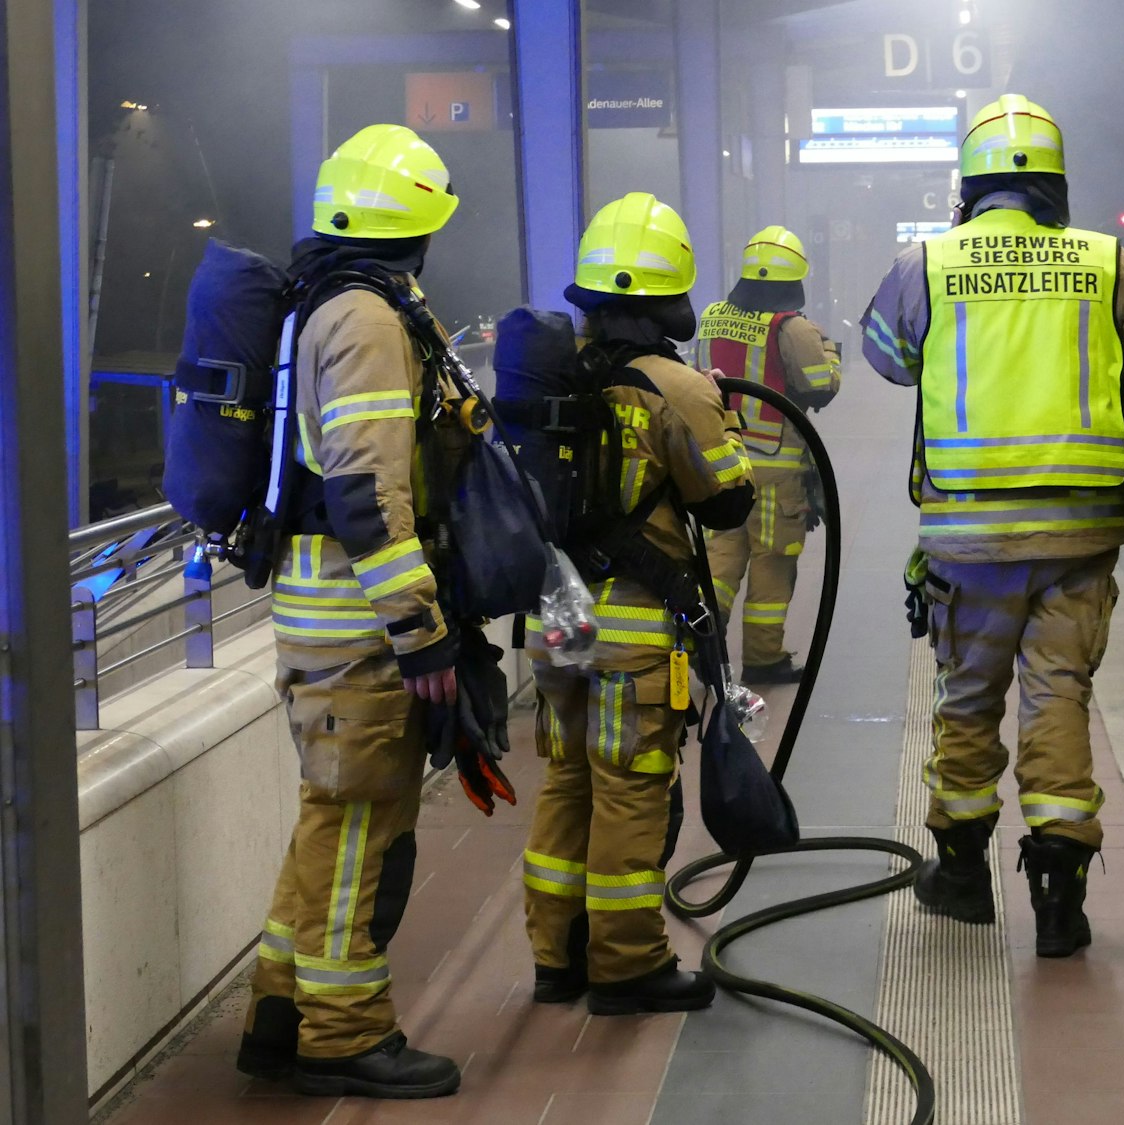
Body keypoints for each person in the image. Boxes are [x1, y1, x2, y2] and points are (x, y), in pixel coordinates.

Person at [860, 94, 1124, 957]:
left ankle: (963, 878)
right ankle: (1059, 899)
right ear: (1057, 184)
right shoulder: (1105, 260)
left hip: (968, 539)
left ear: (968, 186)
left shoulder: (927, 261)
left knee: (968, 698)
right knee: (1058, 696)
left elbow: (886, 359)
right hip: (1079, 535)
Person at [234, 123, 465, 1097]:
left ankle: (279, 1011)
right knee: (363, 829)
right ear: (416, 228)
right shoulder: (368, 321)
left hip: (323, 606)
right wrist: (421, 631)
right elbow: (370, 493)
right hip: (358, 622)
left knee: (329, 818)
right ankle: (342, 1033)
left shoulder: (322, 305)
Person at [520, 192, 756, 1015]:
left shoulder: (556, 376)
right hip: (629, 626)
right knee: (629, 787)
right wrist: (722, 418)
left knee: (566, 781)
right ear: (669, 295)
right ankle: (626, 965)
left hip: (558, 615)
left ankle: (556, 958)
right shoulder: (676, 386)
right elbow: (727, 501)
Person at [695, 226, 841, 684]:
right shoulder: (792, 327)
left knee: (721, 556)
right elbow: (820, 386)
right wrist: (830, 352)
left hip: (721, 461)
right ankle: (762, 659)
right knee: (772, 562)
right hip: (775, 469)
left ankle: (701, 642)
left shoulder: (711, 317)